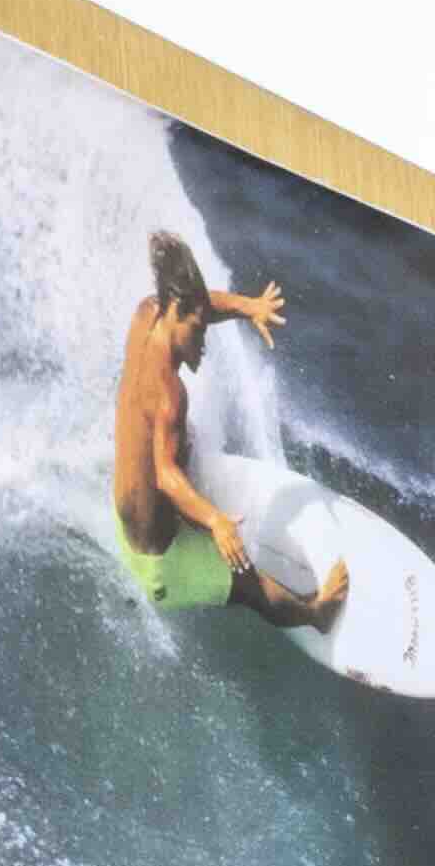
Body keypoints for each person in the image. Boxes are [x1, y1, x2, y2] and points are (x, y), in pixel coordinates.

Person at [112, 231, 299, 622]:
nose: (204, 341)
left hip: (122, 521)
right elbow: (164, 476)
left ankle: (185, 517)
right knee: (255, 590)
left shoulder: (148, 313)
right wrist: (216, 521)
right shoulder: (169, 393)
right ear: (177, 312)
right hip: (160, 563)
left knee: (184, 438)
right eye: (198, 330)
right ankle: (319, 612)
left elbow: (202, 305)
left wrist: (249, 307)